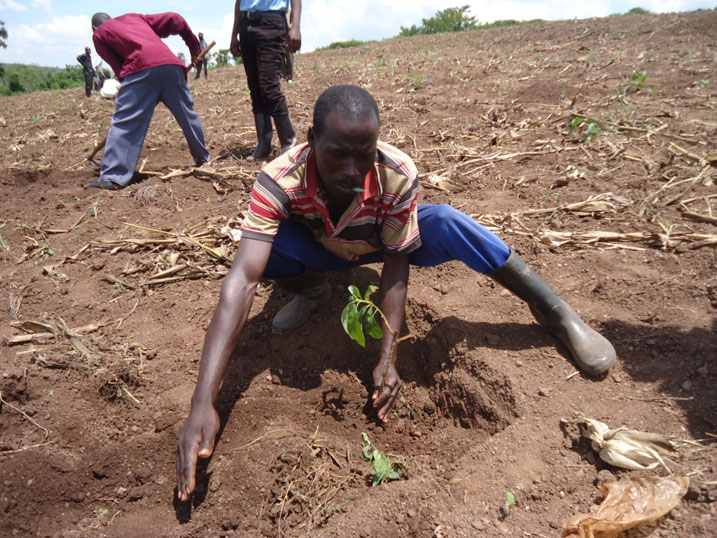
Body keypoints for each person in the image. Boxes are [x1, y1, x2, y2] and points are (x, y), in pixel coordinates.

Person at [175, 85, 617, 501]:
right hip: (324, 249)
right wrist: (203, 403)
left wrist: (387, 358)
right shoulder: (279, 179)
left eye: (362, 156)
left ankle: (554, 311)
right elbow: (241, 281)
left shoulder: (396, 173)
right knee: (258, 253)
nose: (351, 170)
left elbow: (395, 264)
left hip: (379, 241)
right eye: (337, 155)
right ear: (311, 140)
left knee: (446, 221)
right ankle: (310, 291)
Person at [88, 11, 210, 190]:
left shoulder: (99, 34)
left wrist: (138, 96)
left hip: (140, 69)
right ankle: (204, 161)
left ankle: (114, 176)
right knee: (187, 116)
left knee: (126, 122)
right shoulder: (135, 18)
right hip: (172, 66)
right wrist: (194, 49)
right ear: (111, 19)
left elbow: (118, 66)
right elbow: (175, 19)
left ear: (93, 28)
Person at [230, 0, 302, 160]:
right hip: (246, 25)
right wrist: (234, 33)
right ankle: (264, 142)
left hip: (272, 24)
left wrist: (295, 26)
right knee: (255, 88)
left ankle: (288, 141)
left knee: (269, 87)